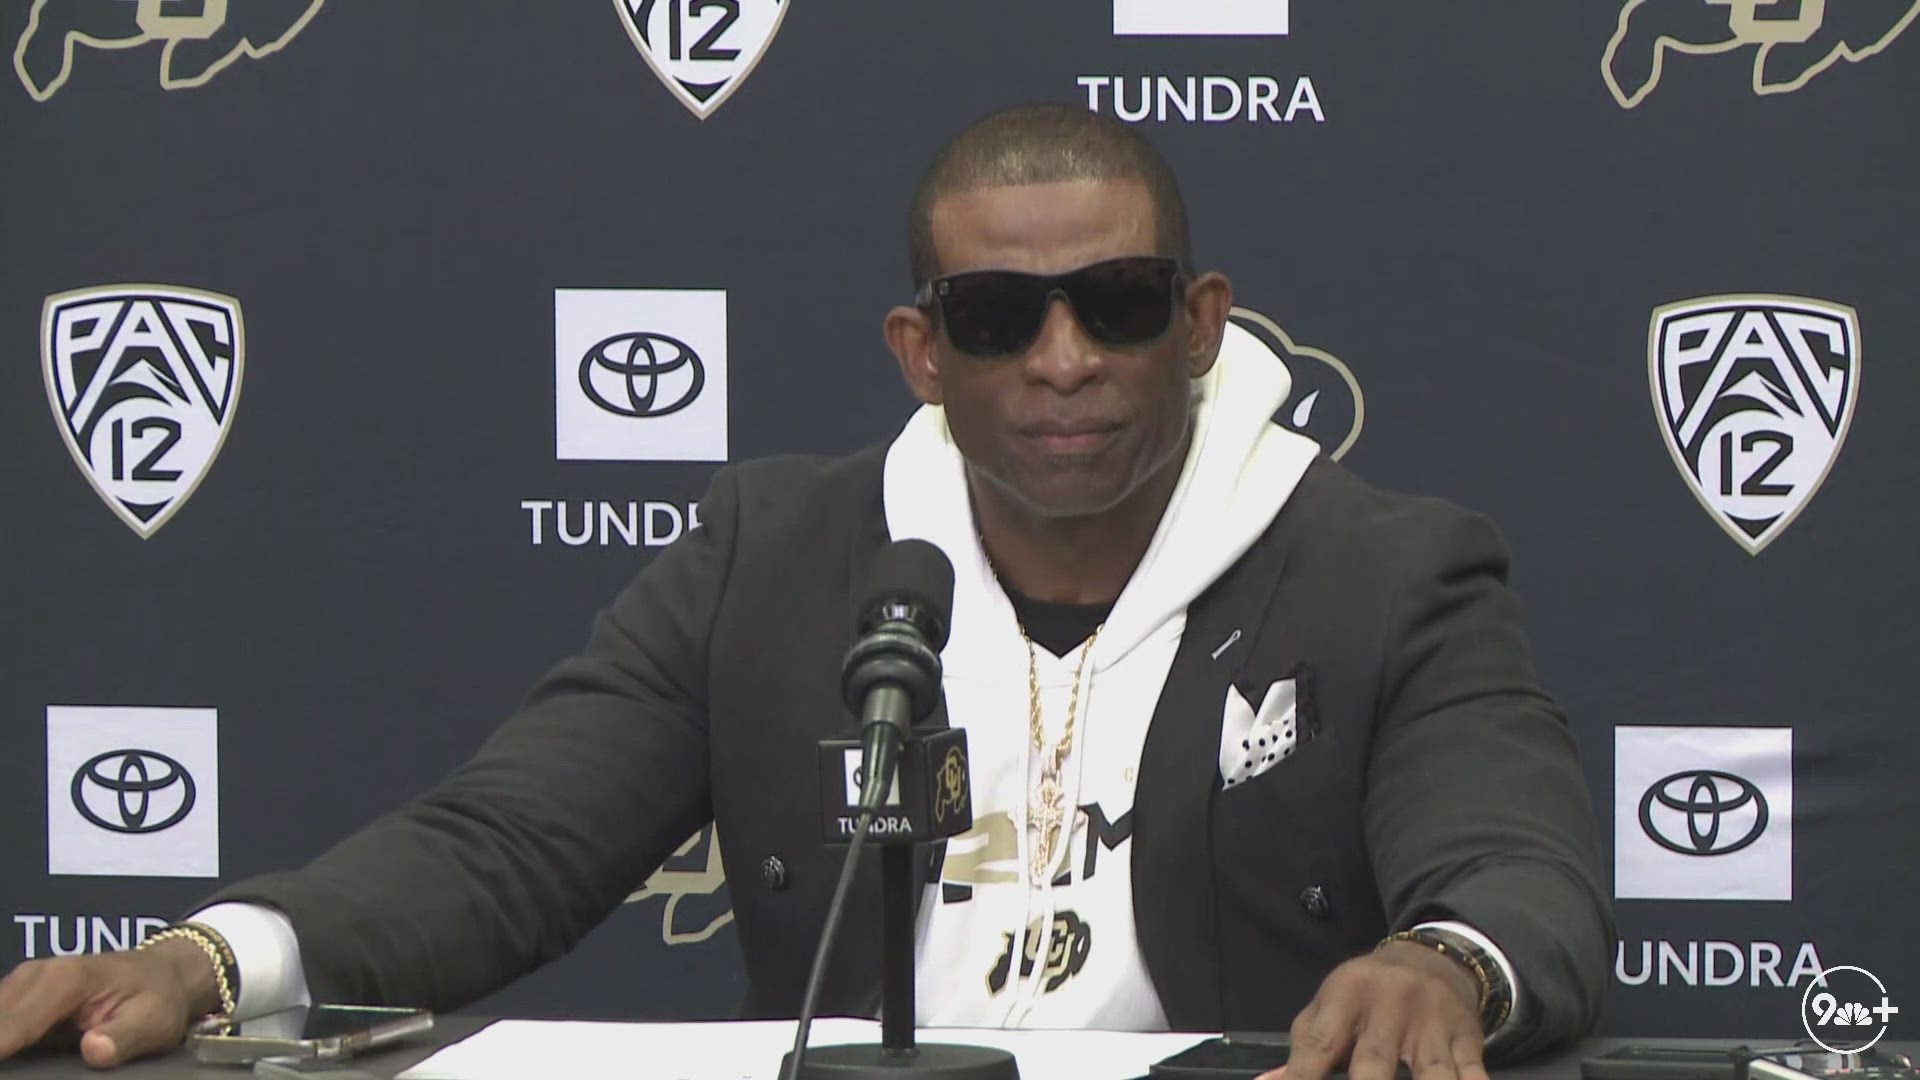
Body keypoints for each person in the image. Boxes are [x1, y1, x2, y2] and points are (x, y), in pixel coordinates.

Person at [0, 103, 1612, 1080]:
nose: (1064, 362)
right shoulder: (778, 558)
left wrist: (1444, 964)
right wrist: (213, 961)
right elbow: (505, 847)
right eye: (997, 317)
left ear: (1197, 322)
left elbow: (1519, 872)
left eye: (1115, 306)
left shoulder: (1387, 569)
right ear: (922, 352)